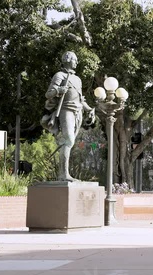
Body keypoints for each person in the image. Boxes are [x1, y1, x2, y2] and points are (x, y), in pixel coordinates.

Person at [41, 51, 95, 181]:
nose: (76, 62)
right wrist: (58, 90)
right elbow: (48, 94)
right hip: (66, 110)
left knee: (70, 142)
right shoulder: (59, 75)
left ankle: (65, 173)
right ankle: (63, 174)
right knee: (69, 140)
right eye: (75, 59)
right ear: (68, 60)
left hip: (78, 112)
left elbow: (81, 99)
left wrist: (89, 109)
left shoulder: (77, 79)